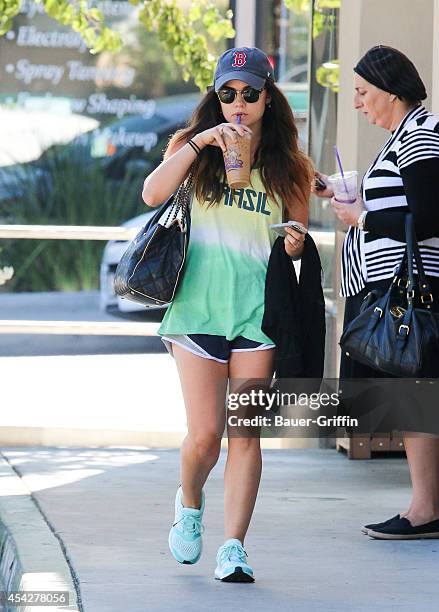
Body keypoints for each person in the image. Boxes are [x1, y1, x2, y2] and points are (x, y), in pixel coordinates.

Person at [142, 47, 314, 581]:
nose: (238, 103)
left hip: (257, 316)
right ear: (215, 99)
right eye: (227, 94)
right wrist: (200, 143)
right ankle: (189, 504)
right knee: (205, 436)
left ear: (268, 97)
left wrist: (292, 243)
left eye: (249, 93)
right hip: (196, 310)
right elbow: (151, 194)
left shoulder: (289, 166)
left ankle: (234, 546)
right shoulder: (193, 151)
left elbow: (298, 239)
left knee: (245, 434)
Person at [311, 45, 439, 540]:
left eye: (362, 92)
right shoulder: (409, 133)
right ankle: (423, 508)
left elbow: (422, 217)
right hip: (404, 286)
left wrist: (363, 217)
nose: (358, 103)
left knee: (418, 392)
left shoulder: (421, 136)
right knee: (412, 392)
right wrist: (343, 195)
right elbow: (404, 203)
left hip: (412, 287)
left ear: (391, 92)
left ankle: (426, 511)